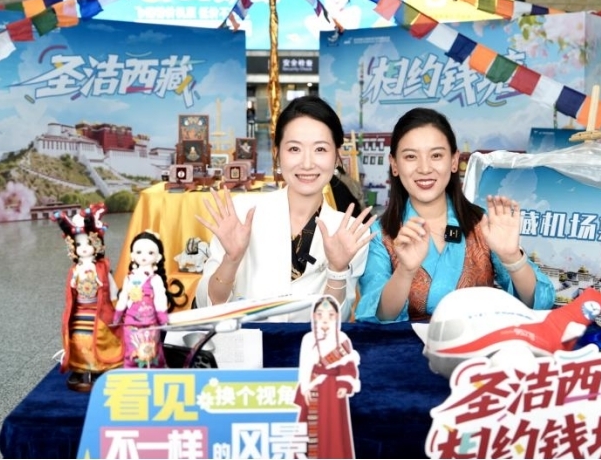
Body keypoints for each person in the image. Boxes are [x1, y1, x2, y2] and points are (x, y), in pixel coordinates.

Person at [356, 108, 555, 323]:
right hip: (408, 344)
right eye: (411, 156)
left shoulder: (483, 225)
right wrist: (405, 272)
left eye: (436, 155)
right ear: (394, 164)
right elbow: (378, 318)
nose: (425, 168)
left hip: (478, 342)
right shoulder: (380, 234)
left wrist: (512, 257)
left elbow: (539, 303)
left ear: (454, 160)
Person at [196, 96, 375, 322]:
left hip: (308, 344)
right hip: (244, 342)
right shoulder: (242, 213)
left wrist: (337, 271)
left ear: (337, 157)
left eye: (320, 149)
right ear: (277, 154)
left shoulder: (349, 232)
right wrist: (231, 260)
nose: (307, 163)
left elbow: (333, 321)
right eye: (294, 149)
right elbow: (207, 304)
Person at [53, 205, 122, 392]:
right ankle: (82, 368)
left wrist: (116, 305)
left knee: (99, 335)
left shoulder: (102, 268)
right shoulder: (75, 270)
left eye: (87, 243)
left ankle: (101, 368)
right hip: (80, 309)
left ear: (96, 243)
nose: (83, 248)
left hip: (100, 309)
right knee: (77, 336)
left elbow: (112, 290)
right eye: (79, 244)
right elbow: (71, 292)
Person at [295, 296, 359, 459]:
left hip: (332, 388)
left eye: (330, 315)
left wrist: (344, 384)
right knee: (310, 427)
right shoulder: (308, 339)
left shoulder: (342, 339)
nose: (325, 319)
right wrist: (305, 387)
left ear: (336, 316)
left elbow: (348, 365)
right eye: (320, 314)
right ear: (314, 316)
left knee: (333, 425)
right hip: (313, 386)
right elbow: (304, 365)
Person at [114, 231, 179, 369]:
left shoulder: (155, 279)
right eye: (139, 252)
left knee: (152, 354)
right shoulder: (129, 278)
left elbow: (160, 298)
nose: (144, 256)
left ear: (158, 257)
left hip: (151, 323)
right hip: (131, 322)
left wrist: (162, 316)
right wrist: (118, 314)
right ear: (132, 255)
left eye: (150, 253)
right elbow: (124, 296)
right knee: (132, 353)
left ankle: (154, 375)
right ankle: (131, 373)